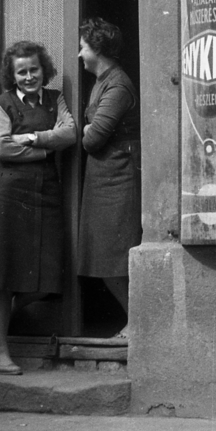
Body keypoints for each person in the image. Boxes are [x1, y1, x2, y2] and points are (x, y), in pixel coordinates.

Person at [0, 40, 76, 373]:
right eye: (22, 71)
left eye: (34, 69)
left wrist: (29, 138)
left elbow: (69, 133)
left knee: (47, 270)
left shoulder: (54, 98)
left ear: (44, 68)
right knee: (1, 275)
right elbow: (1, 148)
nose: (29, 76)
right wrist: (46, 147)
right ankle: (0, 351)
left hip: (45, 194)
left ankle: (8, 317)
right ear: (11, 76)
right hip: (8, 194)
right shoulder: (1, 105)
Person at [77, 18, 141, 339]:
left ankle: (137, 321)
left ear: (98, 50)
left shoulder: (117, 85)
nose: (79, 55)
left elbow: (93, 138)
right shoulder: (103, 80)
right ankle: (135, 319)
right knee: (105, 254)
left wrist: (87, 130)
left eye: (83, 47)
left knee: (114, 254)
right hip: (105, 175)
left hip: (117, 176)